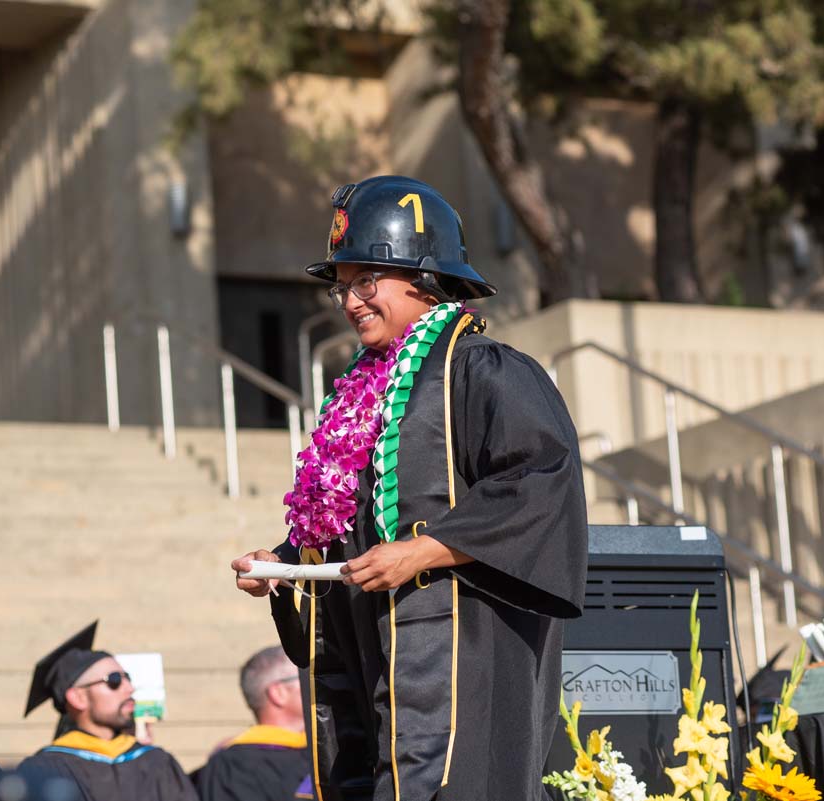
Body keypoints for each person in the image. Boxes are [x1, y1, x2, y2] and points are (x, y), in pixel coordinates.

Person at [231, 175, 590, 801]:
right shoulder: (365, 396)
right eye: (342, 286)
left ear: (424, 280)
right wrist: (287, 565)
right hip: (377, 662)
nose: (349, 301)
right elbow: (362, 526)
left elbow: (539, 483)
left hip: (459, 664)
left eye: (366, 280)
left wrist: (424, 550)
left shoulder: (482, 371)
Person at [18, 623, 198, 801]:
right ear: (77, 698)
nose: (129, 688)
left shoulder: (157, 763)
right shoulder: (42, 772)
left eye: (128, 677)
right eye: (114, 680)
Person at [195, 646, 308, 801]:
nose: (317, 684)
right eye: (307, 677)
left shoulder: (327, 750)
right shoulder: (232, 768)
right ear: (278, 693)